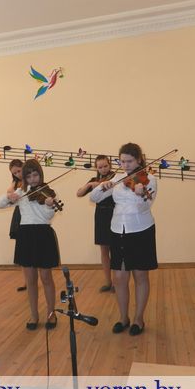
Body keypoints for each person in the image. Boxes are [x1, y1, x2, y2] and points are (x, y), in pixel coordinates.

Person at [90, 143, 157, 336]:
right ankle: (123, 318)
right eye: (122, 161)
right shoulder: (117, 179)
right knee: (119, 278)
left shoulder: (149, 179)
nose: (125, 165)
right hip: (118, 229)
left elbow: (145, 206)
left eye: (129, 161)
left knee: (140, 276)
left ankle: (138, 319)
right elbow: (93, 198)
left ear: (139, 160)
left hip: (141, 229)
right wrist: (102, 186)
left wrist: (141, 194)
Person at [0, 159, 60, 331]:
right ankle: (34, 315)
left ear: (40, 174)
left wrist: (49, 206)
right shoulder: (21, 192)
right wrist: (9, 196)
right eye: (29, 176)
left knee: (46, 277)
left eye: (35, 175)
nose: (33, 179)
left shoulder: (49, 193)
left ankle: (51, 313)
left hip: (43, 233)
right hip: (25, 235)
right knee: (30, 280)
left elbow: (47, 217)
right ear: (24, 178)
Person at [77, 155, 115, 293]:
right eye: (100, 167)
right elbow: (79, 193)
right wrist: (89, 185)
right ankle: (108, 282)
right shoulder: (94, 179)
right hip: (101, 215)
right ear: (96, 168)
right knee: (104, 250)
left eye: (105, 166)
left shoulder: (115, 178)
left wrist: (98, 185)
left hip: (114, 214)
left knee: (116, 250)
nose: (103, 169)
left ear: (110, 165)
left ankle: (117, 282)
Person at [7, 159, 26, 291]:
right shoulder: (16, 182)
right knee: (22, 248)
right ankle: (26, 281)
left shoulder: (31, 179)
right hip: (19, 214)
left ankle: (34, 278)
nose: (18, 174)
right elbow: (9, 192)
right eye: (14, 173)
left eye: (19, 171)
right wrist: (14, 184)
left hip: (29, 215)